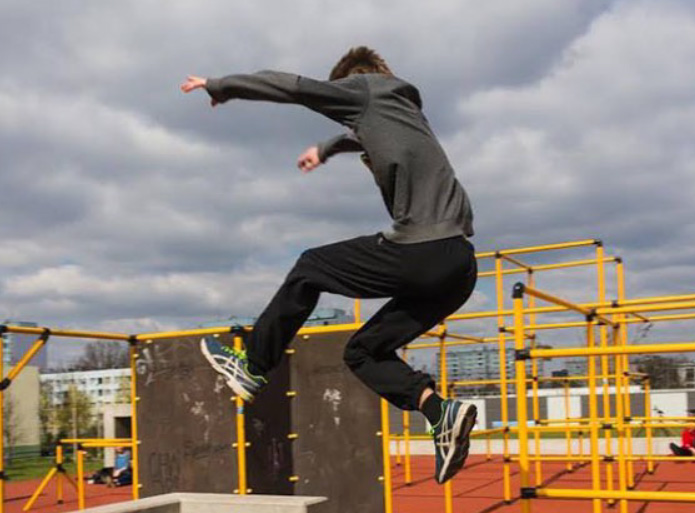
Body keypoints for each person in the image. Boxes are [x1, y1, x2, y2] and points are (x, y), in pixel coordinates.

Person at [181, 46, 478, 483]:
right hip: (459, 267)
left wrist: (223, 86)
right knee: (363, 351)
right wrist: (325, 148)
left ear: (351, 84)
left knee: (309, 268)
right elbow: (356, 136)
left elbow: (291, 87)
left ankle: (253, 367)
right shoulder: (407, 112)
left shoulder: (362, 90)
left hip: (421, 249)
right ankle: (440, 412)